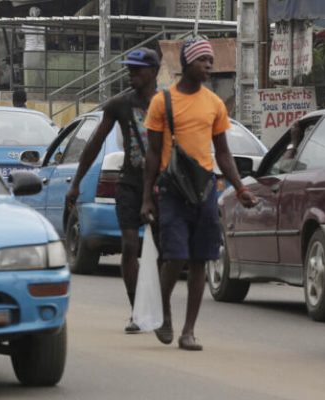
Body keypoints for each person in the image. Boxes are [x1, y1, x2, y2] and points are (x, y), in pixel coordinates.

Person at [140, 39, 258, 351]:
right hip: (172, 190)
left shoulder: (215, 104)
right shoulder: (161, 102)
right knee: (176, 255)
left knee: (199, 261)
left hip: (205, 188)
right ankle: (164, 311)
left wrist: (241, 187)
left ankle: (188, 330)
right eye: (203, 60)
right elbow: (152, 153)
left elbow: (223, 153)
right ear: (187, 64)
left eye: (210, 60)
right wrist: (147, 197)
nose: (209, 65)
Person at [65, 48, 161, 333]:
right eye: (129, 69)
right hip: (130, 183)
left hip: (163, 184)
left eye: (137, 69)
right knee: (130, 245)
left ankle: (160, 312)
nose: (131, 74)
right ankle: (137, 311)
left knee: (168, 252)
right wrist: (76, 183)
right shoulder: (119, 105)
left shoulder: (169, 103)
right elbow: (94, 144)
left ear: (154, 72)